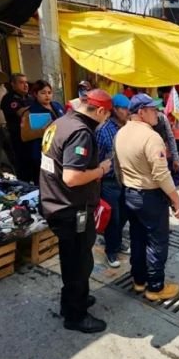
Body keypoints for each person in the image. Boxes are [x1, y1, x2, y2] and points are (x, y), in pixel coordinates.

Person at [39, 89, 114, 333]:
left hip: (56, 202)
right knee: (79, 262)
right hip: (70, 208)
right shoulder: (81, 132)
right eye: (107, 116)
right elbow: (72, 177)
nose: (106, 121)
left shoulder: (61, 122)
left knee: (72, 259)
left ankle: (72, 300)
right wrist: (101, 169)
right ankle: (75, 315)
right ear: (101, 111)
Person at [114, 93, 179, 301]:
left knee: (137, 238)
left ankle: (139, 280)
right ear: (141, 112)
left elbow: (118, 166)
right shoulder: (151, 137)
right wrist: (176, 200)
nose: (158, 113)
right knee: (157, 242)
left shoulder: (121, 133)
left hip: (130, 193)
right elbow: (161, 174)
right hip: (150, 196)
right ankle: (155, 287)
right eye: (153, 109)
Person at [95, 94, 131, 268]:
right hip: (109, 182)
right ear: (114, 110)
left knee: (124, 214)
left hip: (126, 179)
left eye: (128, 108)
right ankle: (111, 251)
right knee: (113, 218)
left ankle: (117, 242)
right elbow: (97, 158)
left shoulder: (128, 128)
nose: (127, 112)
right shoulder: (103, 131)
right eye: (123, 108)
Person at [20, 81, 65, 183]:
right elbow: (24, 136)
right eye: (43, 93)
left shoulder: (57, 105)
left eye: (49, 92)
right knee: (45, 182)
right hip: (42, 153)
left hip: (60, 149)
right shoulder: (30, 112)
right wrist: (42, 131)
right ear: (35, 94)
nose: (47, 96)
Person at [1, 73, 32, 181]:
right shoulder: (9, 98)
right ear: (13, 84)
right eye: (21, 82)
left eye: (26, 82)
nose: (26, 85)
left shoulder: (30, 98)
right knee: (21, 166)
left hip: (32, 138)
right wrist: (37, 106)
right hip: (17, 138)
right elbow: (20, 112)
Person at [151, 98, 179, 183]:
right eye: (153, 110)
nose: (156, 112)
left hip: (165, 154)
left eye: (156, 110)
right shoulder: (146, 123)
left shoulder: (162, 118)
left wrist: (175, 157)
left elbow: (170, 137)